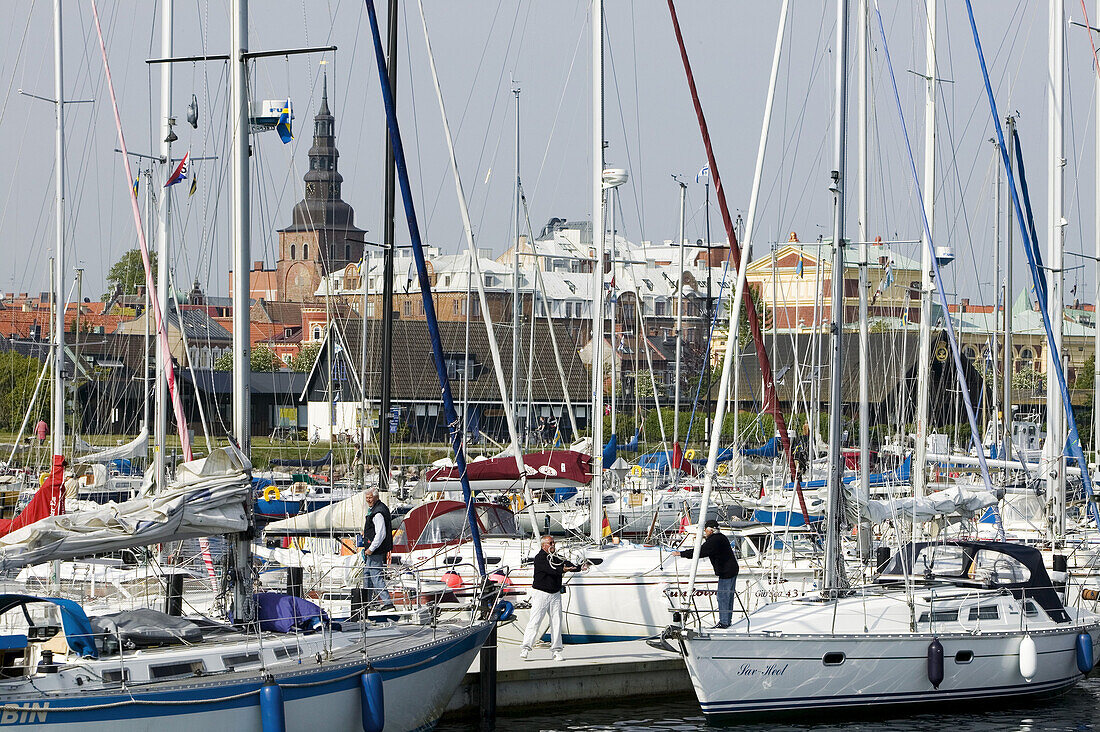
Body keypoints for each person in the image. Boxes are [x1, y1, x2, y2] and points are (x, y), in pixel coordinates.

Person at [520, 535, 587, 661]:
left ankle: (556, 650)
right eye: (550, 543)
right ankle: (526, 647)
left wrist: (579, 567)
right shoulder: (539, 558)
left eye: (553, 543)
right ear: (543, 545)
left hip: (555, 594)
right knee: (535, 621)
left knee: (556, 622)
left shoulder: (556, 557)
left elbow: (565, 564)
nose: (553, 545)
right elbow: (552, 569)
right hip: (541, 593)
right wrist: (563, 569)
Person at [676, 519, 739, 628]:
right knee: (728, 597)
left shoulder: (714, 540)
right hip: (731, 570)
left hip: (727, 572)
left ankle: (724, 623)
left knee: (723, 597)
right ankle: (727, 621)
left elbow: (700, 552)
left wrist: (681, 554)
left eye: (705, 530)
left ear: (710, 530)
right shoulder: (721, 537)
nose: (705, 532)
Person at [361, 487, 394, 610]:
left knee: (375, 574)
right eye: (367, 498)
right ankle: (367, 602)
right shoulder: (375, 509)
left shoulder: (378, 512)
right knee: (367, 574)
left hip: (375, 550)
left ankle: (387, 602)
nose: (368, 500)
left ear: (376, 497)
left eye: (370, 498)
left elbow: (381, 533)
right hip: (372, 549)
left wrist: (371, 548)